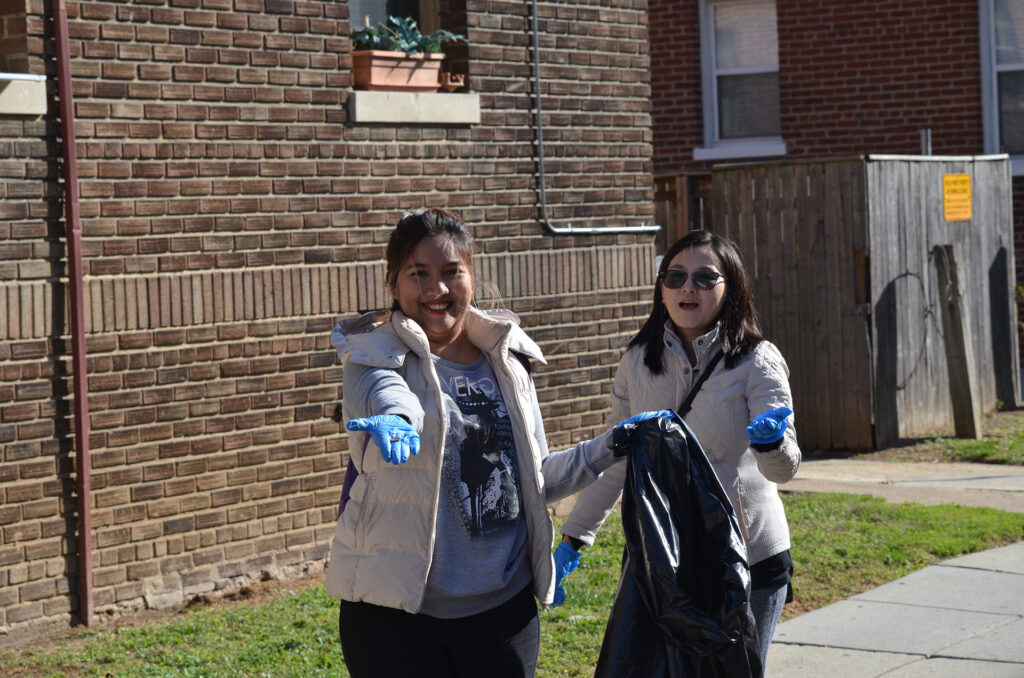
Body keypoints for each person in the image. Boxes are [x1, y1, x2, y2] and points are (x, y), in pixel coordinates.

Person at [326, 208, 658, 678]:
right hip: (396, 616)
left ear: (472, 276)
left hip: (503, 613)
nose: (436, 289)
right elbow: (389, 395)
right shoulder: (371, 357)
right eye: (418, 274)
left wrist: (612, 445)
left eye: (450, 272)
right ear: (395, 284)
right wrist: (398, 418)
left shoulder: (508, 360)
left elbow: (537, 477)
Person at [557, 229, 801, 670]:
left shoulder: (756, 359)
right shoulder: (638, 361)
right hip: (667, 563)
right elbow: (619, 461)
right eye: (675, 276)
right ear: (662, 289)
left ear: (732, 289)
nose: (688, 287)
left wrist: (771, 444)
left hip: (747, 561)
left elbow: (783, 470)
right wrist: (575, 537)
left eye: (706, 278)